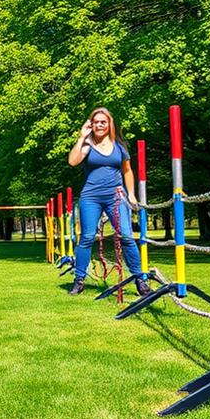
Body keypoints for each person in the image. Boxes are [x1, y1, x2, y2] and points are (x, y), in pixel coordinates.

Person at [65, 108, 150, 296]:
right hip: (91, 197)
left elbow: (127, 171)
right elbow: (72, 161)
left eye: (103, 121)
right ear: (91, 125)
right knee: (86, 237)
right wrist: (81, 137)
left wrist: (132, 195)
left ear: (109, 124)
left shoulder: (119, 146)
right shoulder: (87, 144)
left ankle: (140, 280)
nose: (100, 125)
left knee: (127, 237)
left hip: (116, 196)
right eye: (96, 122)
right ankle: (79, 280)